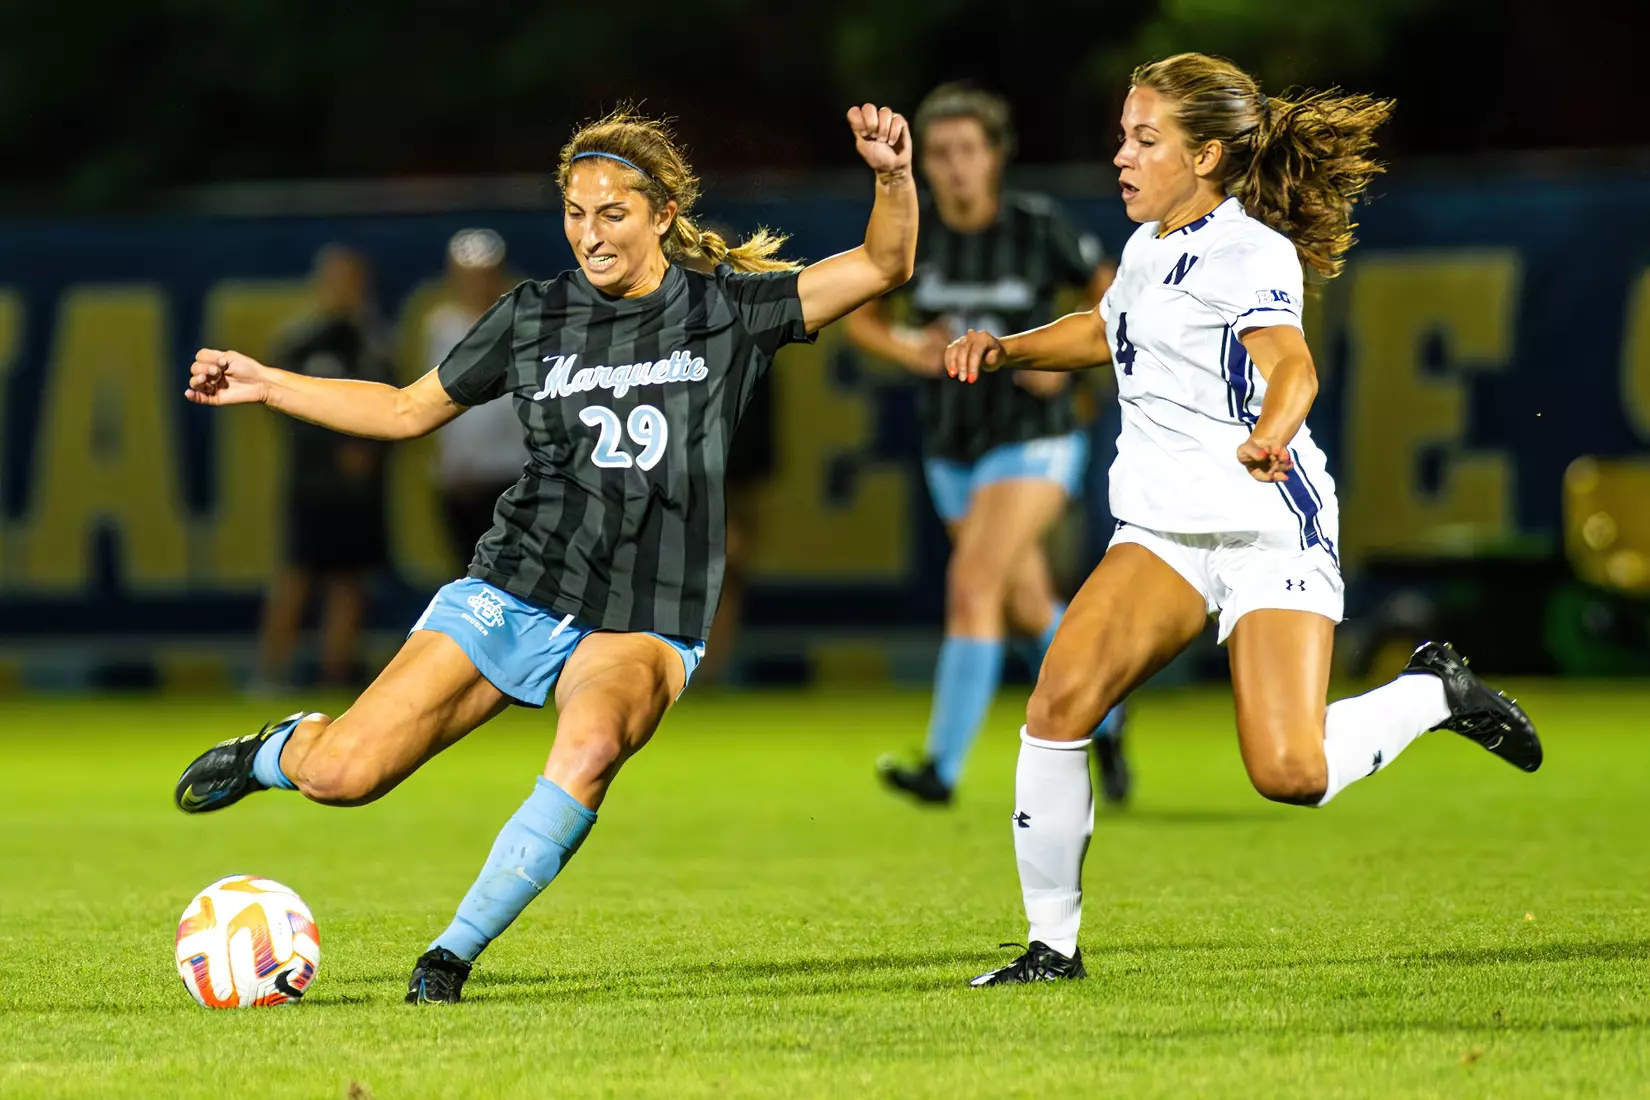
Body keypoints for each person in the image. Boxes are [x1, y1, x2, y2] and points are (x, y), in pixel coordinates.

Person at [172, 102, 919, 1004]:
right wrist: (267, 383)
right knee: (344, 778)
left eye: (612, 213)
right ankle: (280, 752)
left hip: (648, 608)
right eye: (575, 212)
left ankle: (446, 958)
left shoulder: (728, 309)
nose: (590, 234)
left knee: (593, 741)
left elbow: (884, 264)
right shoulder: (533, 315)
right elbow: (407, 411)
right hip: (520, 580)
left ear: (662, 215)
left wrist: (891, 175)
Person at [952, 54, 1542, 986]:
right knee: (1057, 710)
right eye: (1122, 136)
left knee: (1290, 773)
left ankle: (1436, 693)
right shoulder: (1148, 248)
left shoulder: (1249, 252)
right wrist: (1006, 349)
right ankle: (1050, 948)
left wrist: (1272, 434)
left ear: (1210, 156)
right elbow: (1107, 329)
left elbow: (1294, 367)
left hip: (1266, 525)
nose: (1122, 156)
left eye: (1146, 140)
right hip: (1162, 533)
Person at [845, 83, 1129, 805]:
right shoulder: (917, 234)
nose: (955, 166)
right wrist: (911, 349)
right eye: (939, 154)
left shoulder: (1039, 227)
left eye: (968, 150)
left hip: (1036, 438)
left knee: (972, 586)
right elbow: (862, 318)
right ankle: (1113, 712)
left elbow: (1120, 301)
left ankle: (941, 768)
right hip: (952, 443)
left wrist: (1054, 357)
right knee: (1027, 604)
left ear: (997, 156)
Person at [255, 245, 392, 690]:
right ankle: (270, 676)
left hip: (360, 490)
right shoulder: (300, 340)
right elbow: (277, 403)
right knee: (297, 576)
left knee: (349, 583)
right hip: (312, 483)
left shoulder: (373, 340)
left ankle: (334, 675)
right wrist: (334, 448)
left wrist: (369, 451)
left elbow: (399, 405)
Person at [425, 228, 530, 565]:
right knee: (468, 572)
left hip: (516, 473)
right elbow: (433, 400)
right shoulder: (441, 326)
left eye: (484, 275)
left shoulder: (523, 319)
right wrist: (455, 463)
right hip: (462, 479)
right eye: (468, 276)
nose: (477, 284)